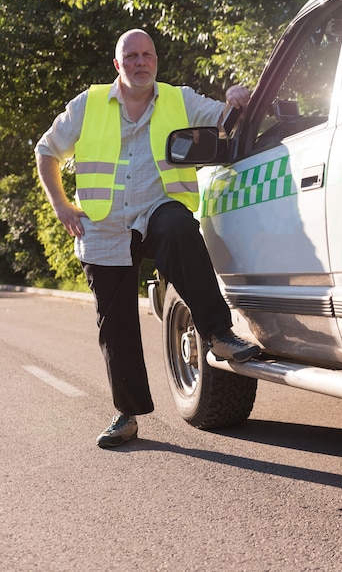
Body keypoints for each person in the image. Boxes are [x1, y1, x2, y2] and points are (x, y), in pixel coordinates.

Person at [35, 28, 261, 448]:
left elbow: (227, 121)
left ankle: (218, 333)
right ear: (118, 65)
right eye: (132, 56)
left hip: (157, 210)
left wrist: (237, 98)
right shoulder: (88, 104)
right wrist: (61, 206)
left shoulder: (179, 98)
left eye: (148, 55)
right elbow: (46, 150)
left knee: (179, 228)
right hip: (102, 225)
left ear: (155, 61)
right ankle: (127, 415)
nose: (141, 62)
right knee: (115, 323)